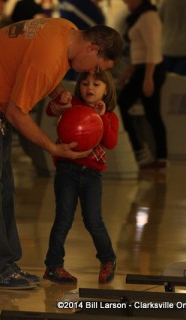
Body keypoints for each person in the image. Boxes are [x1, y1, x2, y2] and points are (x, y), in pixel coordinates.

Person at [0, 18, 122, 290]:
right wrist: (53, 147)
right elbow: (17, 112)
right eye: (97, 67)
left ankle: (5, 264)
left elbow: (27, 64)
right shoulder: (50, 58)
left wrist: (57, 92)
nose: (91, 73)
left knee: (2, 184)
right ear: (93, 48)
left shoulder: (65, 29)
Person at [43, 70, 118, 285]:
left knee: (93, 221)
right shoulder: (72, 105)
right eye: (85, 83)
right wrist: (60, 103)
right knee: (63, 219)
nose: (89, 88)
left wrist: (102, 117)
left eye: (96, 84)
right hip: (67, 170)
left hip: (92, 175)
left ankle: (108, 259)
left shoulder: (110, 115)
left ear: (106, 90)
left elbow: (111, 143)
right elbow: (50, 110)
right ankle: (53, 266)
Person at [118, 0, 167, 169]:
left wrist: (148, 78)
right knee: (151, 113)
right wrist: (129, 71)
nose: (125, 4)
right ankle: (159, 156)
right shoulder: (140, 16)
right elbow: (140, 49)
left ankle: (142, 151)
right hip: (143, 68)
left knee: (122, 106)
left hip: (150, 69)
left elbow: (153, 49)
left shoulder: (148, 17)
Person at [158, 0, 186, 77]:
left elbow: (158, 23)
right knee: (183, 83)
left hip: (168, 47)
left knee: (164, 81)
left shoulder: (165, 2)